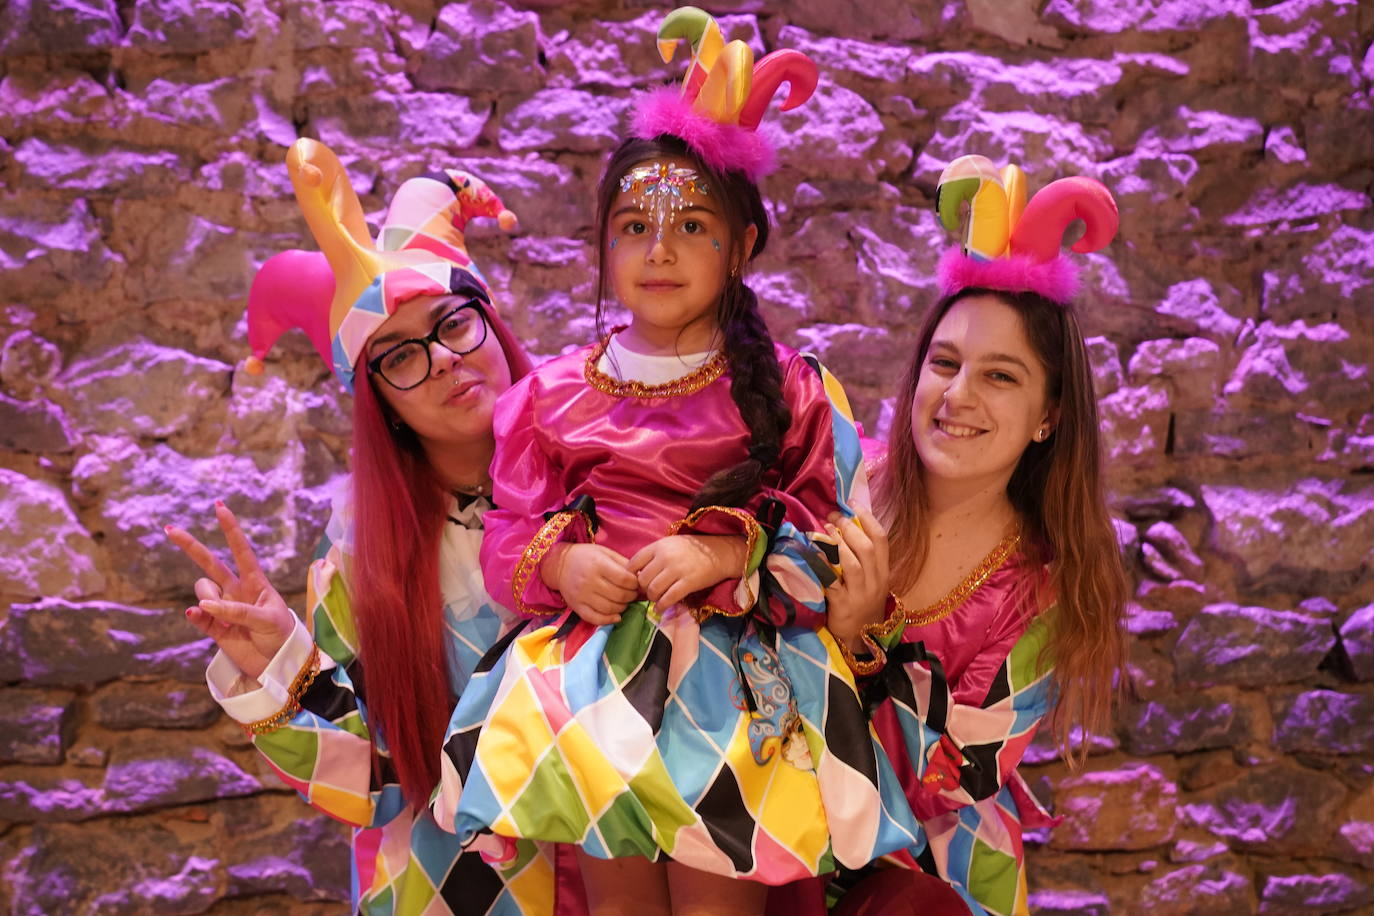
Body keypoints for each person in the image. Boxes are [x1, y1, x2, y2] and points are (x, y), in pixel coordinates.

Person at [431, 8, 918, 915]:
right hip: (592, 691)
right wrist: (564, 562)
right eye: (632, 227)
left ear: (743, 244)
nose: (659, 249)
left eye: (692, 226)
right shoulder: (550, 396)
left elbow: (831, 533)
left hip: (732, 699)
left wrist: (729, 554)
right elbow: (505, 539)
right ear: (603, 248)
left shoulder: (794, 391)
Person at [166, 139, 583, 915]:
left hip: (625, 870)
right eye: (398, 357)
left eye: (452, 325)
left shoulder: (608, 469)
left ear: (490, 323)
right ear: (378, 401)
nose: (443, 361)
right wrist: (283, 672)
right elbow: (377, 783)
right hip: (451, 893)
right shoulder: (359, 556)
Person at [824, 154, 1131, 916]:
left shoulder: (1041, 597)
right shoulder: (835, 483)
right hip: (774, 853)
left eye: (1001, 376)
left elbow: (938, 788)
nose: (958, 396)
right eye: (946, 362)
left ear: (1049, 416)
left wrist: (855, 643)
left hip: (938, 884)